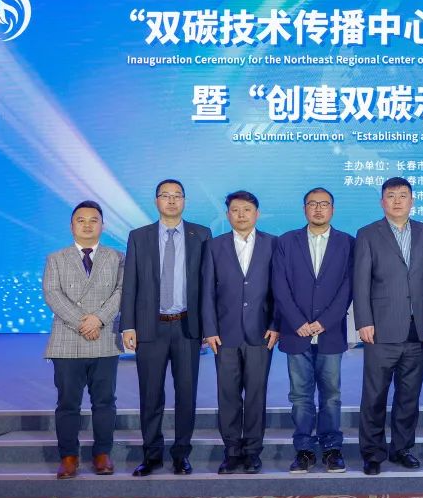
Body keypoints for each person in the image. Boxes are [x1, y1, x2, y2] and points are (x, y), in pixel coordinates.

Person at [120, 179, 212, 477]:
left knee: (186, 394)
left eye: (177, 196)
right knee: (150, 395)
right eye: (165, 196)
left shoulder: (202, 235)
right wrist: (127, 325)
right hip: (151, 327)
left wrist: (208, 325)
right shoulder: (139, 236)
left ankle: (181, 455)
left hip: (187, 326)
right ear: (156, 201)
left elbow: (208, 285)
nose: (171, 201)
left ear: (184, 201)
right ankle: (152, 455)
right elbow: (130, 283)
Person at [353, 177, 423, 476]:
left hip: (417, 328)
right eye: (391, 196)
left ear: (412, 201)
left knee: (409, 395)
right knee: (374, 395)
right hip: (381, 328)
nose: (397, 201)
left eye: (403, 195)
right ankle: (372, 452)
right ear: (382, 201)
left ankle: (402, 449)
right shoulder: (367, 234)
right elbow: (360, 282)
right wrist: (364, 320)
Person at [272, 187, 354, 474]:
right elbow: (280, 285)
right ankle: (304, 450)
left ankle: (332, 449)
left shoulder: (348, 243)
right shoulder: (286, 241)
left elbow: (348, 287)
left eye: (324, 204)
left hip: (330, 333)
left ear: (333, 209)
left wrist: (325, 321)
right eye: (312, 204)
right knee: (300, 396)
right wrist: (297, 322)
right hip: (296, 333)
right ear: (304, 208)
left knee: (331, 395)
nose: (318, 209)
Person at [42, 200, 124, 479]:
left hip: (104, 338)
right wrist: (82, 322)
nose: (87, 225)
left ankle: (102, 454)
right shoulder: (56, 258)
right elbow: (52, 294)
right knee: (68, 402)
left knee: (105, 401)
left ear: (103, 225)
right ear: (71, 226)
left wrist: (98, 319)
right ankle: (68, 456)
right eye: (81, 220)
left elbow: (122, 292)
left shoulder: (117, 258)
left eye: (93, 220)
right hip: (67, 339)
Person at [200, 190, 278, 475]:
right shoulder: (214, 246)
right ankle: (231, 451)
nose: (241, 215)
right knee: (228, 395)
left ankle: (253, 452)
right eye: (235, 210)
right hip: (225, 334)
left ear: (257, 214)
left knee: (257, 394)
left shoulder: (273, 244)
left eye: (247, 210)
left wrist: (276, 324)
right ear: (227, 214)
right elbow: (206, 291)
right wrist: (210, 329)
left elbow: (279, 290)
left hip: (261, 333)